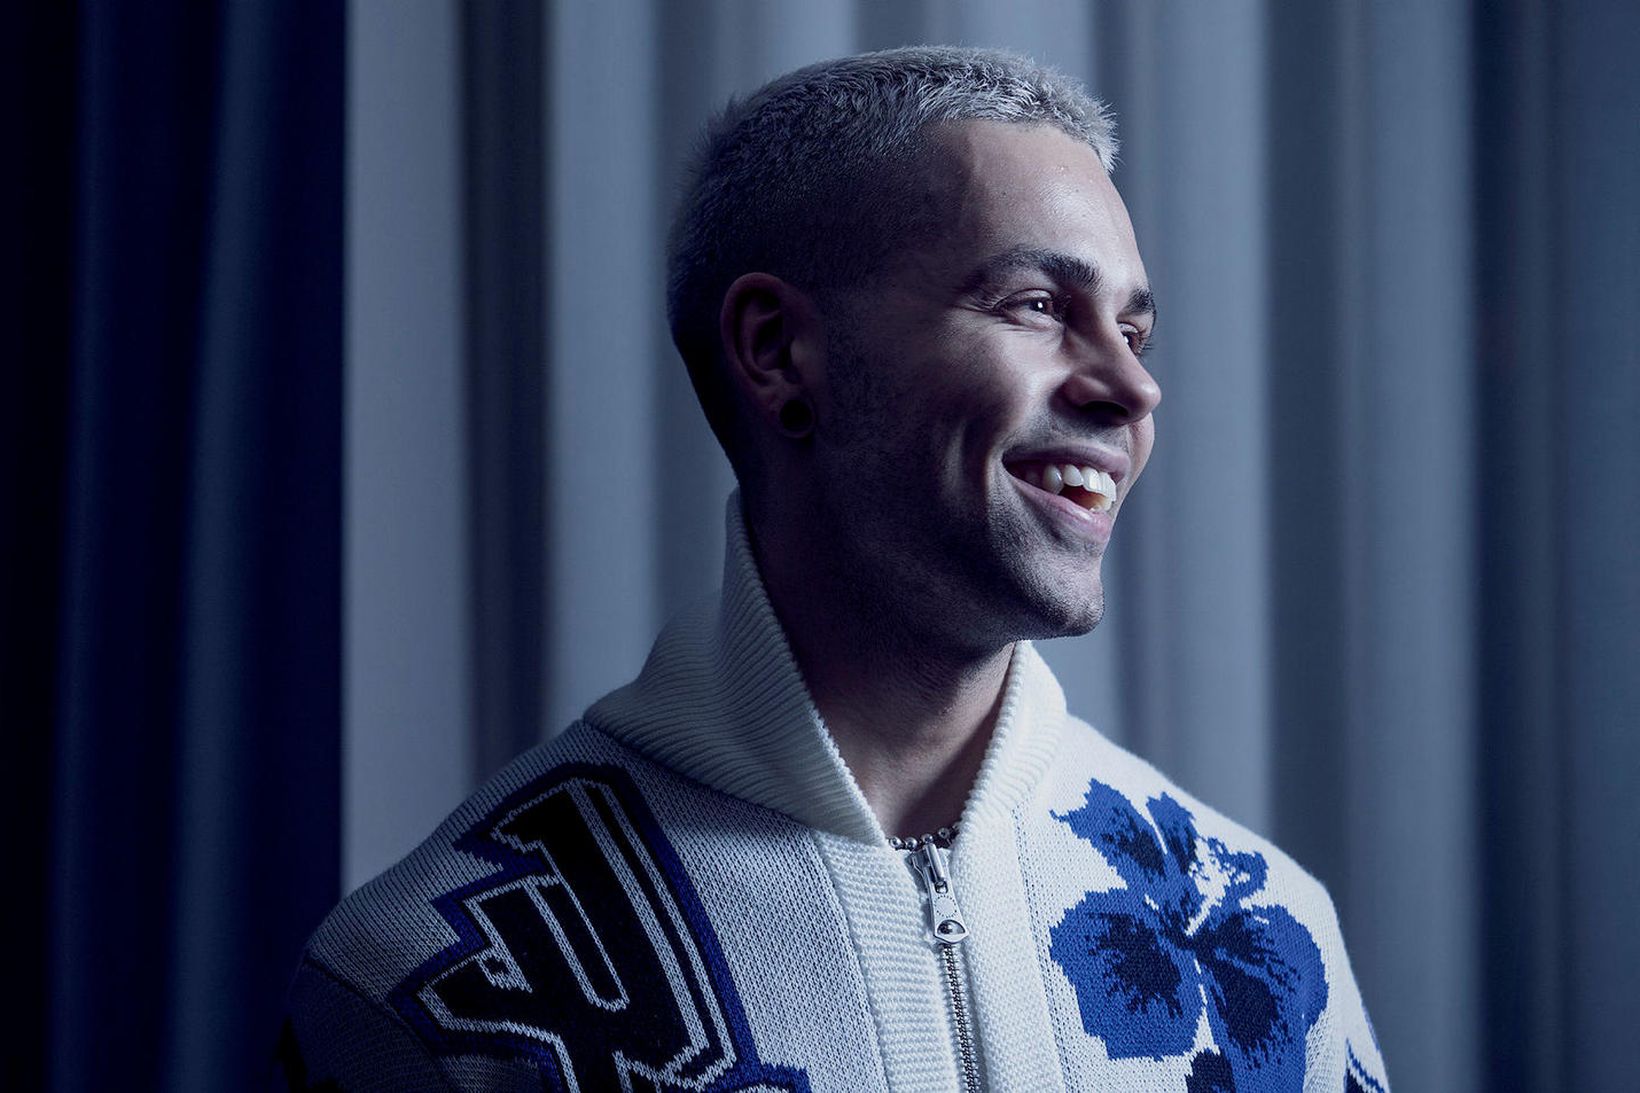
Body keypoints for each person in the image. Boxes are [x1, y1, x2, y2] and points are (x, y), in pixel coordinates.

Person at [277, 46, 1389, 1092]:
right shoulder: (420, 987)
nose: (1133, 390)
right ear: (776, 350)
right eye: (1038, 306)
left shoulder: (1272, 939)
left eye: (1133, 333)